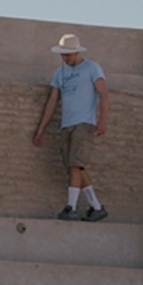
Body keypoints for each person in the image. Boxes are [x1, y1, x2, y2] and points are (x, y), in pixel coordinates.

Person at [31, 32, 108, 221]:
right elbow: (52, 101)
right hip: (67, 124)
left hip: (84, 123)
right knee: (75, 167)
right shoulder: (59, 73)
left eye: (68, 54)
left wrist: (102, 120)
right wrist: (41, 128)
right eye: (63, 55)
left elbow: (103, 94)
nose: (65, 58)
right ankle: (96, 207)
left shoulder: (92, 68)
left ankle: (70, 207)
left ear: (76, 52)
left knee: (75, 164)